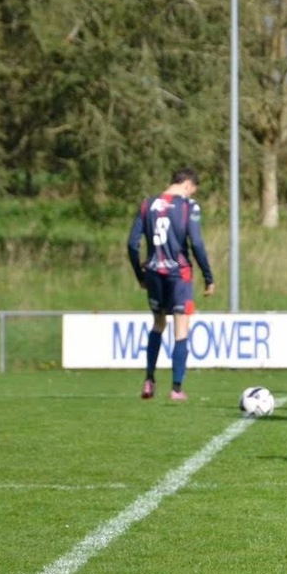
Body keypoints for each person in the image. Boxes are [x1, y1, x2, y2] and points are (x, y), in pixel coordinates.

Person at [127, 166, 215, 402]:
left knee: (158, 323)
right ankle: (176, 388)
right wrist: (208, 276)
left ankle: (149, 379)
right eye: (192, 190)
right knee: (180, 328)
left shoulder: (147, 205)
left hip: (154, 271)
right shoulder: (189, 206)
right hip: (179, 274)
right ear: (188, 185)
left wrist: (140, 274)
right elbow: (196, 242)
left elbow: (132, 244)